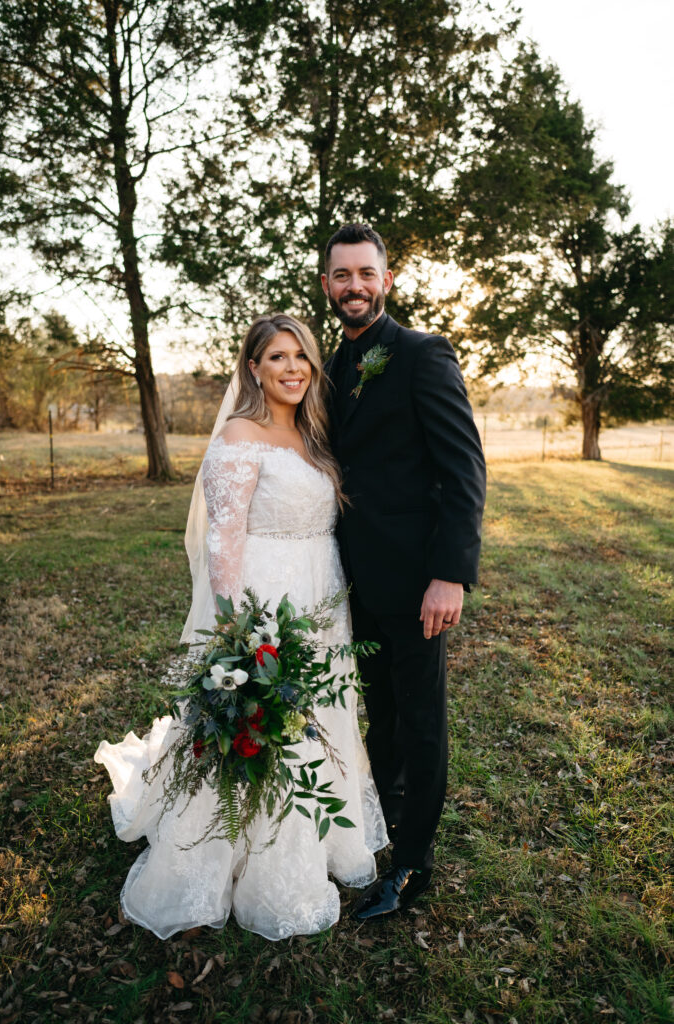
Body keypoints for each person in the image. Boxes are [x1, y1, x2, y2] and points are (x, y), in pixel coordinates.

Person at [95, 313, 387, 941]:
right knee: (275, 718)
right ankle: (246, 857)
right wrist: (238, 637)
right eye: (277, 357)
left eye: (301, 356)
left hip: (322, 595)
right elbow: (222, 543)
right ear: (252, 367)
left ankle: (326, 839)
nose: (293, 369)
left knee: (320, 713)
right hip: (268, 598)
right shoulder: (240, 434)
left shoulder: (312, 433)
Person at [322, 223, 486, 920]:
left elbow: (463, 468)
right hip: (350, 581)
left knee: (420, 722)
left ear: (385, 281)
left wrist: (449, 574)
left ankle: (413, 865)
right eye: (341, 275)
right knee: (379, 713)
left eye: (366, 273)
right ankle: (381, 829)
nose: (354, 286)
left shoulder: (422, 355)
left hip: (420, 583)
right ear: (327, 284)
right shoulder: (325, 367)